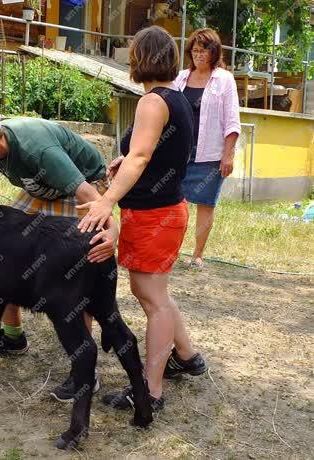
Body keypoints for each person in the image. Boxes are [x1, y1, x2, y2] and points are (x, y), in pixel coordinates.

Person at [0, 105, 118, 401]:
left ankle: (84, 373)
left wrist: (112, 232)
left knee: (75, 271)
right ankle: (12, 337)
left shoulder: (39, 150)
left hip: (81, 191)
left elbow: (90, 195)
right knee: (7, 252)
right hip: (42, 190)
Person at [76, 26, 207, 411]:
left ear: (140, 58)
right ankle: (186, 356)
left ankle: (150, 391)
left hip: (156, 215)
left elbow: (141, 156)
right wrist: (128, 165)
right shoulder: (176, 98)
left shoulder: (152, 102)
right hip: (160, 209)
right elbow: (157, 153)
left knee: (152, 299)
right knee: (155, 295)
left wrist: (106, 201)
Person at [174, 28, 241, 270]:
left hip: (210, 154)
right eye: (195, 49)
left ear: (214, 52)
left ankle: (197, 255)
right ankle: (171, 251)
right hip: (178, 153)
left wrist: (228, 154)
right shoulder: (179, 78)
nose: (198, 54)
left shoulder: (224, 79)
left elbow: (232, 119)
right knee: (174, 203)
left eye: (204, 50)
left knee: (205, 203)